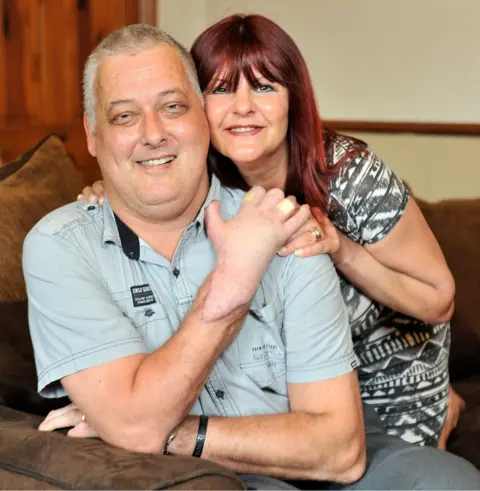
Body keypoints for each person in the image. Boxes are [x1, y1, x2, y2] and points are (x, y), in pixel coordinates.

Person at [28, 22, 480, 491]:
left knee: (447, 480)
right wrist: (234, 277)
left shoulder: (306, 206)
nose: (153, 133)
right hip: (238, 462)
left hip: (384, 388)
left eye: (172, 107)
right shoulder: (65, 243)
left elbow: (341, 445)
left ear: (198, 119)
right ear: (92, 133)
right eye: (123, 117)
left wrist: (334, 246)